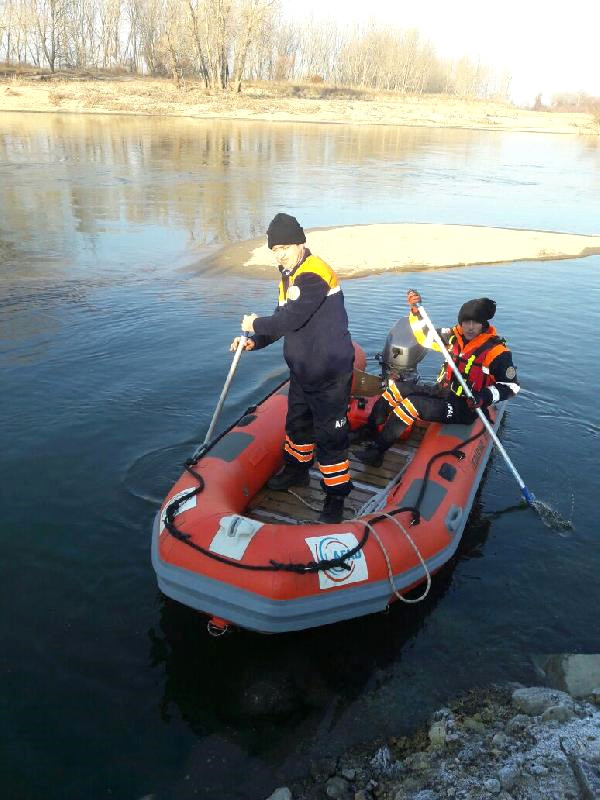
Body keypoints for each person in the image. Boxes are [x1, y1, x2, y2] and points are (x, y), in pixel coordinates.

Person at [230, 213, 355, 524]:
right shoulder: (289, 276)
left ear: (300, 243)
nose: (280, 254)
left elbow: (291, 318)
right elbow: (280, 322)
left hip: (329, 372)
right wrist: (255, 341)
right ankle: (297, 471)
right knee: (297, 425)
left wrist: (254, 323)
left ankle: (336, 496)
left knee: (331, 435)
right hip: (303, 370)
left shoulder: (314, 273)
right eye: (275, 249)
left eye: (285, 247)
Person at [356, 289, 520, 467]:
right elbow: (424, 337)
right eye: (466, 322)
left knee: (412, 404)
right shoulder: (454, 336)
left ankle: (377, 451)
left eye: (475, 322)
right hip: (443, 391)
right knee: (396, 389)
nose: (470, 327)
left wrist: (484, 397)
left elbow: (511, 386)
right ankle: (370, 428)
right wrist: (416, 312)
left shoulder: (496, 352)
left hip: (465, 406)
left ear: (484, 324)